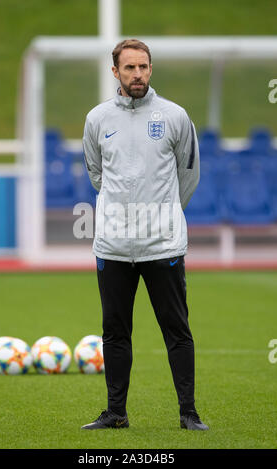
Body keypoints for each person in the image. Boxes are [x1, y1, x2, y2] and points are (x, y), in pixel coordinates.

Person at [81, 39, 208, 431]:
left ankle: (188, 414)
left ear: (151, 69)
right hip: (113, 246)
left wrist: (163, 213)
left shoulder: (174, 116)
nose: (139, 74)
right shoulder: (97, 119)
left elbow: (189, 173)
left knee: (177, 331)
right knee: (115, 333)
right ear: (115, 71)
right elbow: (96, 174)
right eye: (131, 68)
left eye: (145, 67)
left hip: (163, 245)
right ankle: (116, 413)